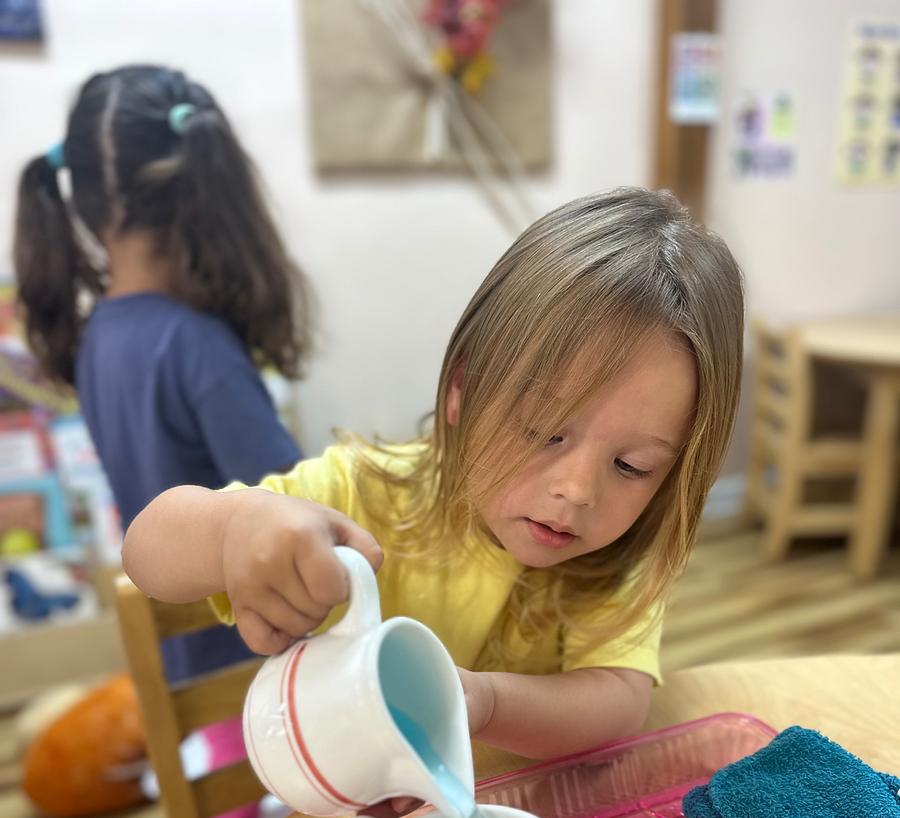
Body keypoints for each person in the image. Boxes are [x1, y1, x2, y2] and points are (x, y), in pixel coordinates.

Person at [122, 188, 744, 760]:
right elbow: (145, 549)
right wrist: (234, 529)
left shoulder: (625, 551)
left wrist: (485, 704)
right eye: (541, 429)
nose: (577, 491)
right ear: (462, 389)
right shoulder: (365, 494)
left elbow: (620, 698)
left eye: (632, 466)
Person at [14, 64, 311, 683]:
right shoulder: (193, 342)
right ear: (209, 185)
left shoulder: (101, 336)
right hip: (255, 679)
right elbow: (302, 515)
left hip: (184, 674)